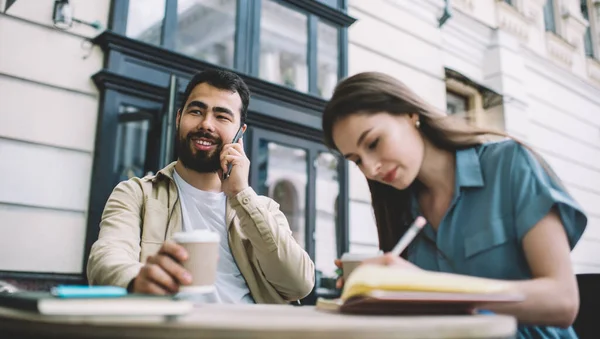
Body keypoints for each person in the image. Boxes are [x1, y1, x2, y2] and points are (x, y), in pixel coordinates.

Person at [322, 72, 587, 338]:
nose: (370, 168)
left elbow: (563, 302)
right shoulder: (400, 215)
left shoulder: (510, 165)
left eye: (374, 143)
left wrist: (430, 288)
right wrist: (376, 294)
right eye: (356, 160)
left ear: (409, 114)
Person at [87, 69, 315, 304]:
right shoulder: (136, 194)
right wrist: (136, 279)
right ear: (178, 118)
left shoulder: (263, 208)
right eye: (196, 111)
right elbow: (105, 259)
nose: (206, 124)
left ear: (240, 133)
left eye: (222, 117)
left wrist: (241, 195)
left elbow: (299, 284)